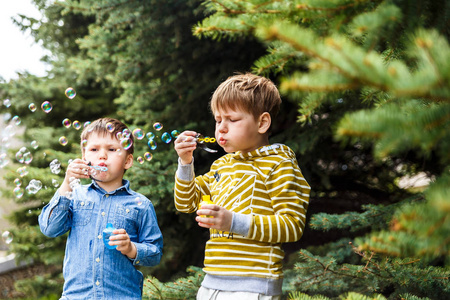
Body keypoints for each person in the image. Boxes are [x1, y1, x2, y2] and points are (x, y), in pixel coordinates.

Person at [173, 73, 311, 299]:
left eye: (232, 120)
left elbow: (292, 226)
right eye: (218, 120)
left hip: (254, 285)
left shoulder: (279, 164)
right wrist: (185, 162)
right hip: (211, 283)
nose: (222, 129)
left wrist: (232, 222)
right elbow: (185, 203)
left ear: (262, 122)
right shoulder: (222, 166)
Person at [39, 117, 163, 300]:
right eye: (94, 149)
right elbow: (49, 228)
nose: (102, 156)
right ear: (84, 159)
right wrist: (68, 183)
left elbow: (155, 253)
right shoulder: (75, 196)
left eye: (112, 150)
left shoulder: (141, 205)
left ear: (128, 161)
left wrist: (131, 248)